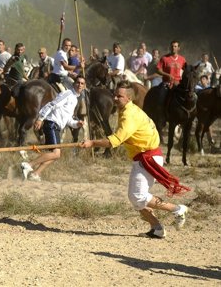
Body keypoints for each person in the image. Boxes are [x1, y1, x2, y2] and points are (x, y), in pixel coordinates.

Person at [80, 80, 189, 239]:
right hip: (144, 157)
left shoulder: (129, 116)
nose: (115, 98)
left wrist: (91, 143)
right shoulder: (126, 110)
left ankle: (178, 209)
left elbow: (114, 142)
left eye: (119, 96)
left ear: (129, 98)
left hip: (148, 157)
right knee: (136, 198)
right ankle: (157, 228)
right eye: (115, 95)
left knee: (138, 196)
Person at [20, 75, 86, 181]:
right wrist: (40, 118)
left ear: (84, 86)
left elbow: (68, 119)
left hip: (56, 127)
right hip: (51, 124)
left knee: (55, 155)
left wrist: (76, 124)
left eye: (82, 83)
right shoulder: (68, 94)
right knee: (56, 153)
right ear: (74, 84)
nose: (79, 85)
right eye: (78, 82)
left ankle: (35, 174)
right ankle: (28, 165)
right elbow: (52, 104)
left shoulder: (75, 100)